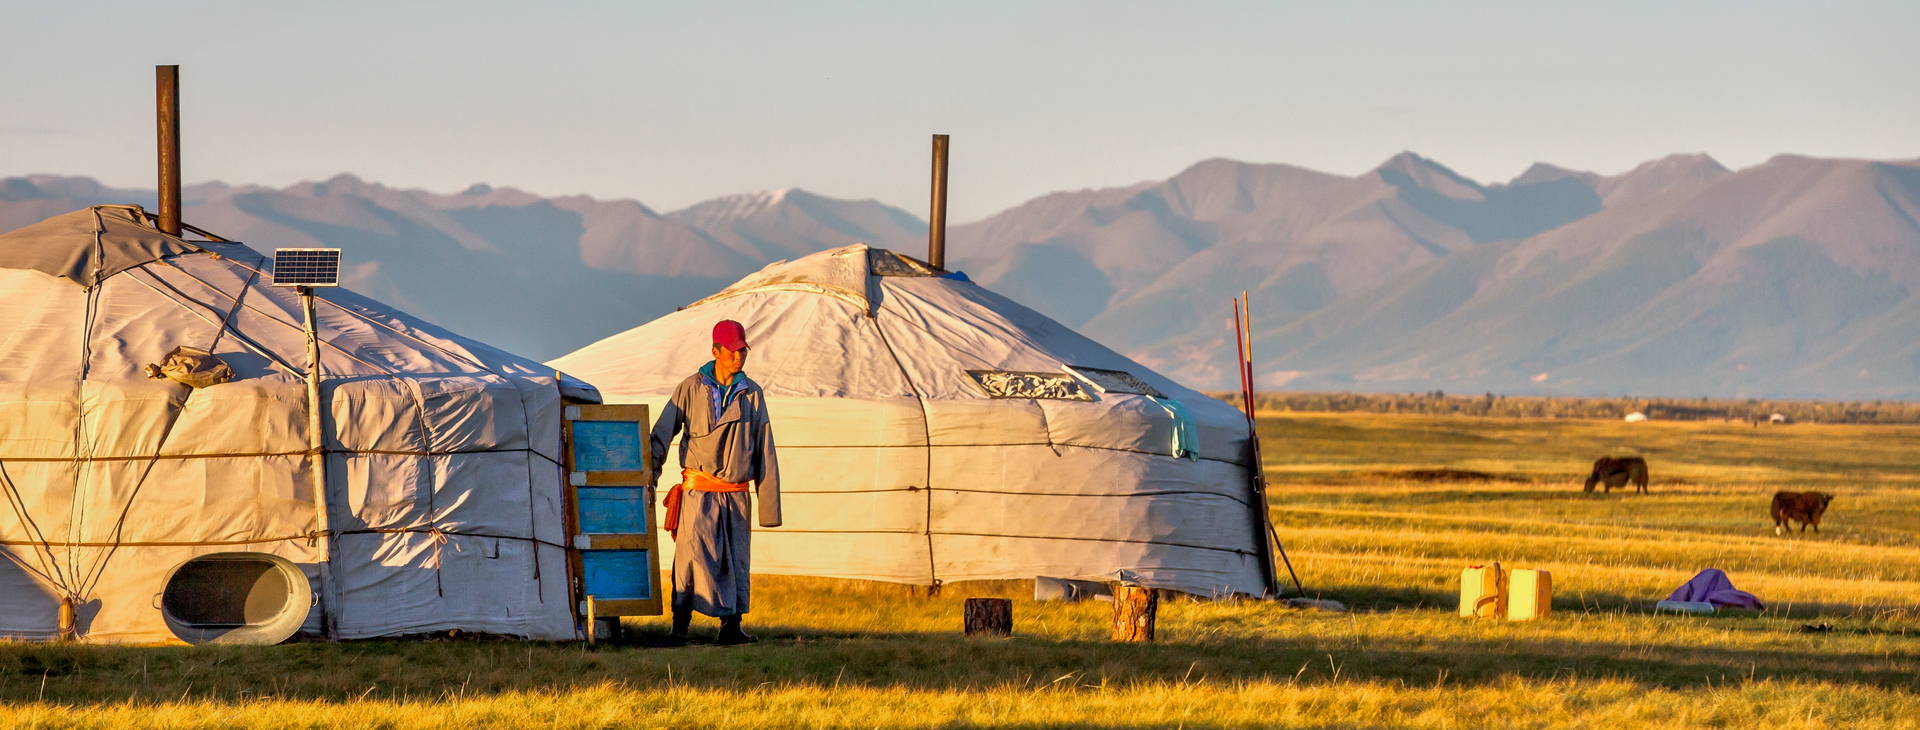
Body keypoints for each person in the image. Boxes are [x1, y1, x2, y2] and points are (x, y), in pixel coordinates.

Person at [648, 319, 781, 645]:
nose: (739, 357)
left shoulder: (751, 394)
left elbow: (765, 445)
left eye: (742, 351)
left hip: (735, 492)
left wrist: (769, 506)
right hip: (699, 490)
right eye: (733, 351)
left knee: (735, 558)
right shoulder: (690, 388)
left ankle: (731, 627)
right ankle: (679, 627)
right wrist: (650, 471)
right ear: (716, 351)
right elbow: (664, 431)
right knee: (690, 557)